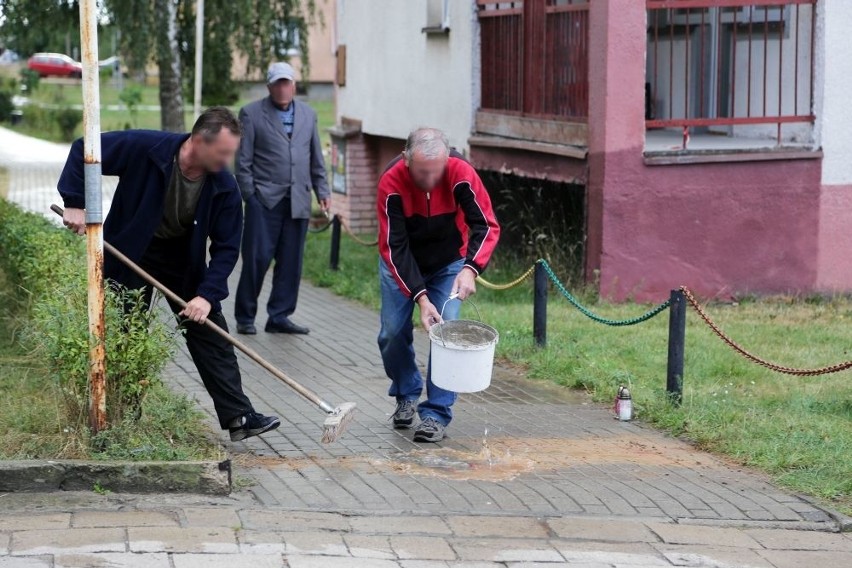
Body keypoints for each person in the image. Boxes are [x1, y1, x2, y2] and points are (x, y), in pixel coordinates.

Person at [57, 107, 281, 442]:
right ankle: (121, 417)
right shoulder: (146, 148)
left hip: (181, 260)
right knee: (125, 334)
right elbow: (83, 148)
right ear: (199, 141)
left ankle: (239, 416)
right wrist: (75, 201)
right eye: (222, 153)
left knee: (210, 331)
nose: (227, 161)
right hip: (130, 251)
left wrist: (206, 295)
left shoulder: (224, 186)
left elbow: (226, 249)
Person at [377, 128, 500, 443]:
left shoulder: (460, 172)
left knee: (447, 334)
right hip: (402, 261)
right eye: (422, 173)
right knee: (391, 333)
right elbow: (395, 248)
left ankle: (435, 415)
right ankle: (406, 392)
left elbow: (485, 224)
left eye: (436, 172)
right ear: (407, 160)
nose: (430, 180)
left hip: (449, 262)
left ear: (446, 161)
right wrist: (420, 297)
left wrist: (471, 269)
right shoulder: (391, 183)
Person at [234, 62, 331, 335]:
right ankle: (245, 316)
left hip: (298, 200)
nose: (282, 88)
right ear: (269, 87)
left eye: (286, 82)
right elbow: (243, 162)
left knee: (291, 263)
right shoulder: (251, 114)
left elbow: (316, 158)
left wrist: (322, 192)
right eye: (277, 83)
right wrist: (250, 196)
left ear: (294, 85)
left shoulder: (308, 115)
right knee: (256, 259)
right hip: (264, 201)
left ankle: (279, 316)